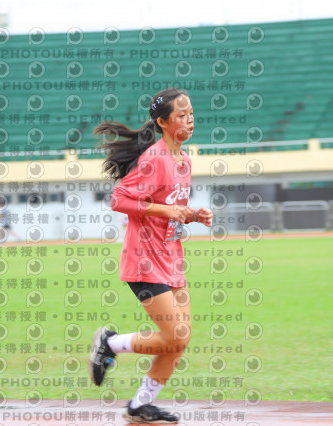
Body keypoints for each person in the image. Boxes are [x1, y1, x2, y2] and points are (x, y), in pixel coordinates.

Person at [88, 87, 213, 424]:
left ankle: (140, 406)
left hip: (171, 258)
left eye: (191, 113)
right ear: (163, 122)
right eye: (181, 115)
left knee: (179, 342)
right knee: (174, 336)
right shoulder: (154, 159)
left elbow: (170, 207)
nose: (189, 120)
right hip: (144, 260)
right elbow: (119, 199)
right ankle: (111, 344)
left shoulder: (184, 161)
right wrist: (166, 210)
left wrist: (192, 215)